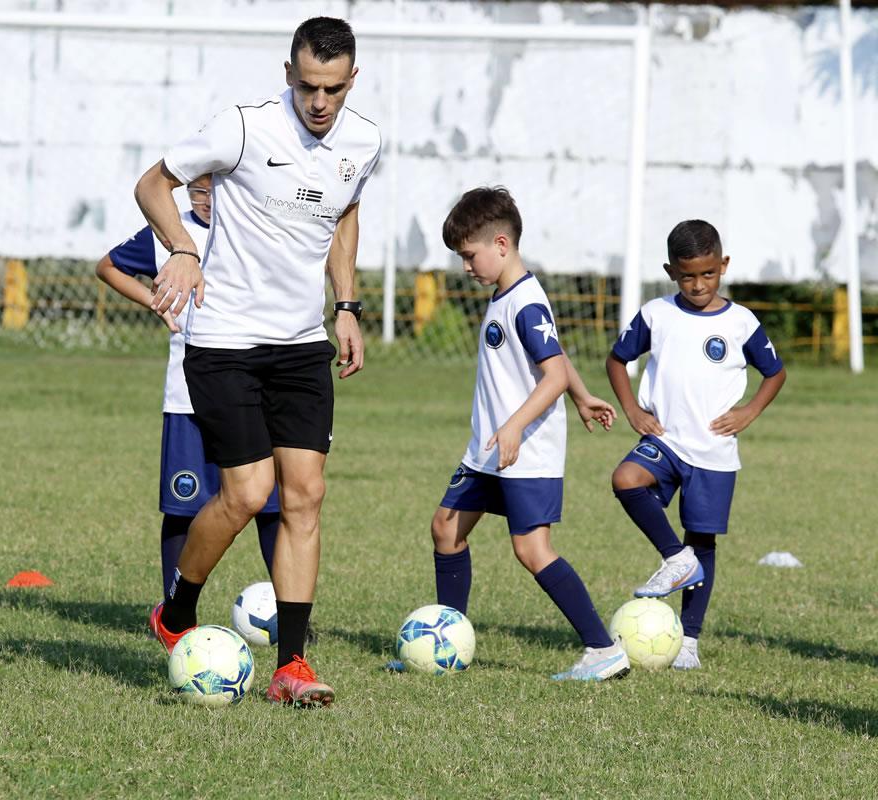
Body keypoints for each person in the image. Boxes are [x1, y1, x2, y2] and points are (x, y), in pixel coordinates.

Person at [134, 16, 381, 707]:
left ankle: (292, 665)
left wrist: (347, 305)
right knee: (246, 493)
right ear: (288, 74)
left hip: (302, 345)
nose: (320, 101)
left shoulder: (364, 142)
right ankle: (175, 612)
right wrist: (182, 245)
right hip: (225, 343)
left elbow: (345, 211)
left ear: (352, 80)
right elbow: (152, 185)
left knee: (304, 495)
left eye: (333, 88)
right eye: (308, 86)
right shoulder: (242, 127)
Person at [426, 185, 629, 682]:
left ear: (500, 244)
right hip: (489, 450)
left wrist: (517, 424)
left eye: (470, 256)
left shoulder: (526, 304)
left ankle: (603, 648)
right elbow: (558, 367)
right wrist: (583, 397)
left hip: (526, 449)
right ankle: (448, 645)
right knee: (446, 530)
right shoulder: (506, 296)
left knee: (532, 550)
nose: (466, 267)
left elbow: (551, 374)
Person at [607, 219, 786, 670]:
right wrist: (632, 409)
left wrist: (748, 412)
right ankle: (675, 557)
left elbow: (775, 372)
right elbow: (617, 360)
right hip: (666, 440)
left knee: (702, 538)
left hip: (713, 452)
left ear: (723, 265)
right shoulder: (656, 314)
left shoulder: (742, 322)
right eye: (688, 276)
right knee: (626, 479)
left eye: (708, 274)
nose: (699, 284)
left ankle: (688, 640)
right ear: (671, 271)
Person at [94, 176, 280, 596]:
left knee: (272, 508)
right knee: (184, 507)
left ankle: (292, 617)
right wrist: (156, 302)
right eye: (199, 192)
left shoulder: (257, 227)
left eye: (217, 190)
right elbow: (107, 267)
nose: (209, 201)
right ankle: (174, 611)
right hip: (189, 393)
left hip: (255, 390)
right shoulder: (169, 234)